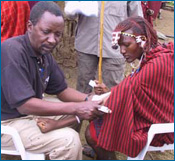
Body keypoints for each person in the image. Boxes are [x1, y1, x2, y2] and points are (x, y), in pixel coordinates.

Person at [1, 2, 105, 160]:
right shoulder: (12, 52)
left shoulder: (43, 54)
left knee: (73, 118)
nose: (52, 40)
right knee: (69, 141)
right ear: (30, 26)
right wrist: (77, 108)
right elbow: (25, 105)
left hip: (26, 116)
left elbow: (62, 91)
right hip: (7, 122)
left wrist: (89, 100)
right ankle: (62, 149)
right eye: (46, 32)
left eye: (57, 34)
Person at [84, 16, 174, 160]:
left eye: (126, 45)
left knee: (93, 133)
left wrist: (105, 97)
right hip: (160, 117)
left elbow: (131, 88)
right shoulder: (154, 55)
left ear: (142, 40)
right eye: (119, 46)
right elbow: (133, 89)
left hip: (162, 129)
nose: (122, 50)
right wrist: (110, 93)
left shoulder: (155, 65)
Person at [65, 1, 143, 94]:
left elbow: (137, 21)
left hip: (115, 48)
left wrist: (134, 47)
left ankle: (111, 108)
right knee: (84, 85)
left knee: (113, 89)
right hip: (86, 44)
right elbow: (70, 15)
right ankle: (83, 106)